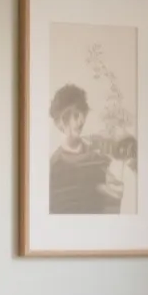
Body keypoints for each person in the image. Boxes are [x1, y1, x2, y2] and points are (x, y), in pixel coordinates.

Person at [48, 84, 113, 214]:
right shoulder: (54, 166)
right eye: (76, 115)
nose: (82, 121)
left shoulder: (100, 159)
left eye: (83, 114)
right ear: (61, 121)